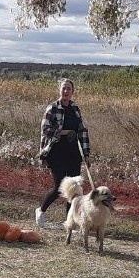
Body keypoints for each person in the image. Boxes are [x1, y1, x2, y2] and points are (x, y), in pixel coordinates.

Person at [35, 78, 91, 228]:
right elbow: (45, 130)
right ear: (59, 90)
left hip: (73, 153)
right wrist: (64, 132)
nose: (66, 91)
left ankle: (69, 221)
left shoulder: (75, 109)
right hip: (56, 152)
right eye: (63, 88)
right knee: (60, 186)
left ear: (73, 92)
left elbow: (82, 131)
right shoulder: (52, 108)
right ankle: (41, 210)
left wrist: (86, 153)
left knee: (74, 187)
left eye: (69, 89)